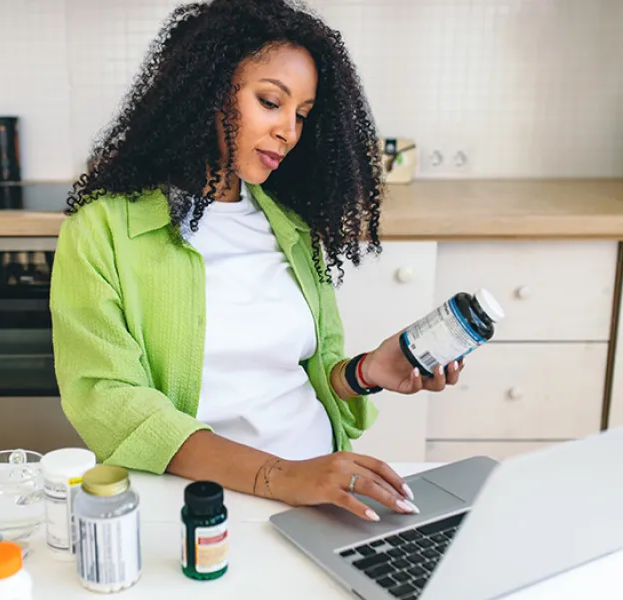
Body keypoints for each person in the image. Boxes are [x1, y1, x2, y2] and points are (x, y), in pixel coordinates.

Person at [51, 0, 463, 523]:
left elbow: (303, 376)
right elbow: (109, 402)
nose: (289, 131)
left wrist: (366, 372)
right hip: (204, 504)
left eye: (302, 115)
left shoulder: (288, 225)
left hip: (321, 490)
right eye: (271, 102)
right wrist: (279, 476)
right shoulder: (105, 227)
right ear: (207, 88)